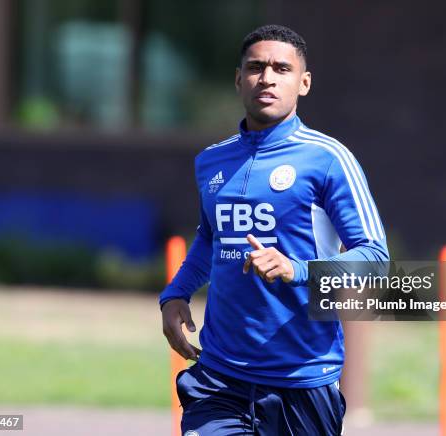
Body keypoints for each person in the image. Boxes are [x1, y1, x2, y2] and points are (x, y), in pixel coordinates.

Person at [160, 24, 389, 435]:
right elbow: (211, 238)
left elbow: (374, 260)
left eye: (281, 69)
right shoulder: (211, 161)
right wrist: (176, 292)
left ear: (303, 83)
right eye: (256, 67)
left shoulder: (329, 159)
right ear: (238, 79)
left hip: (301, 379)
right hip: (219, 376)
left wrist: (296, 269)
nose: (267, 78)